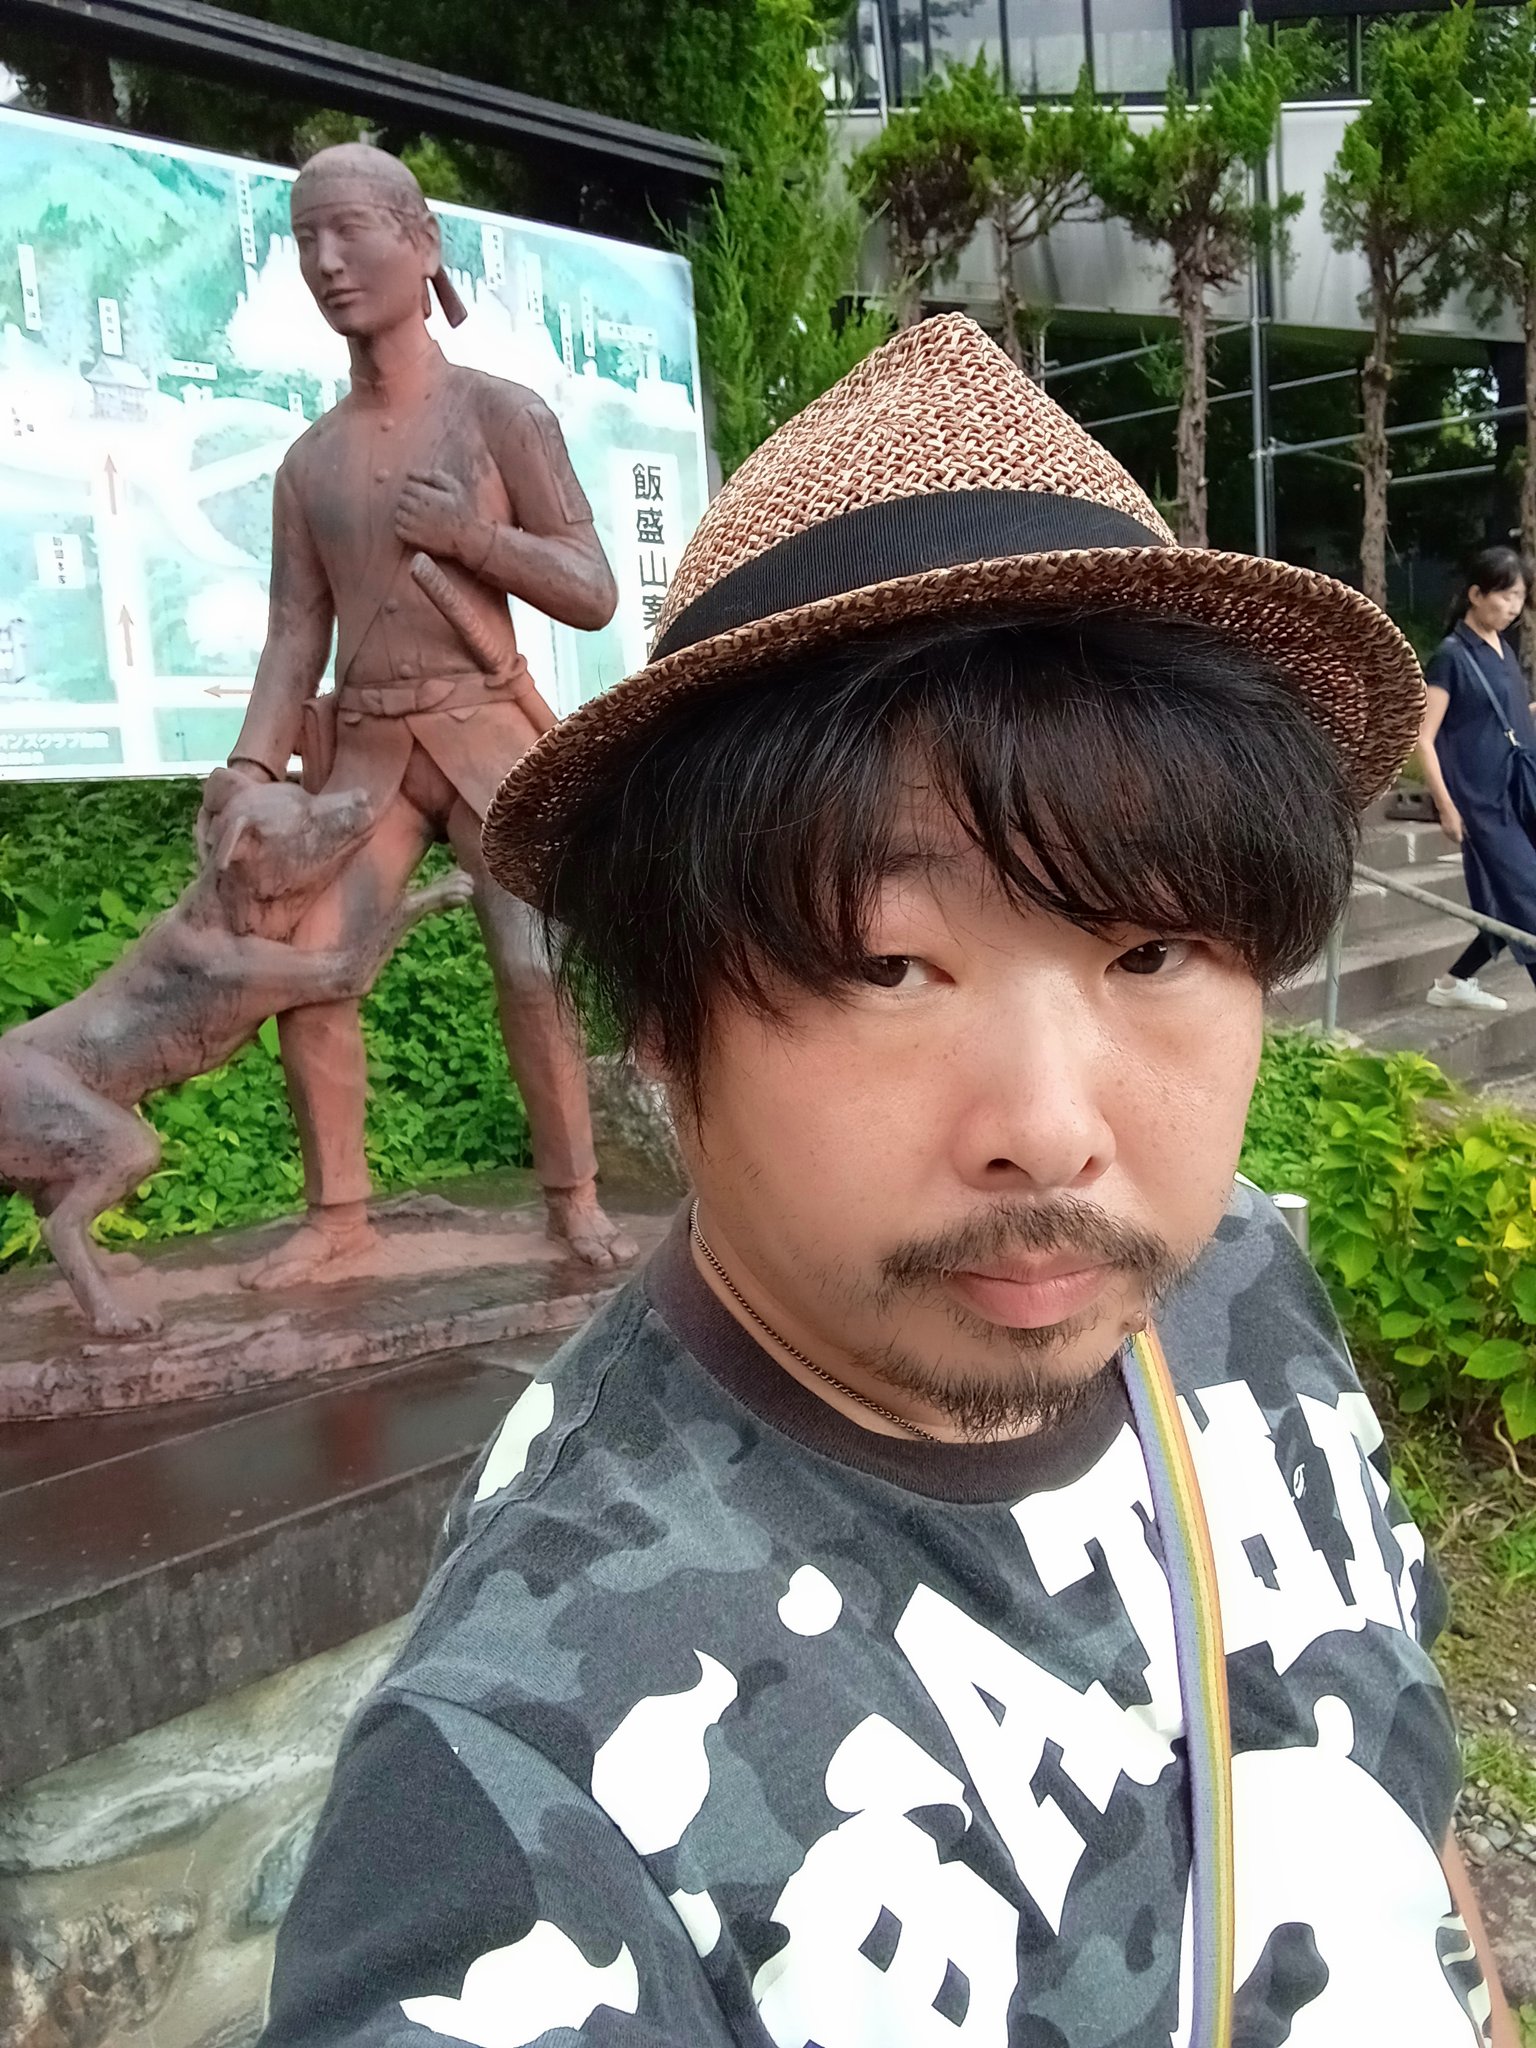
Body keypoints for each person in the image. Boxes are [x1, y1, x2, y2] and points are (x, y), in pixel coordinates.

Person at [258, 317, 1514, 2047]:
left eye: (1154, 950)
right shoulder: (529, 1782)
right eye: (884, 964)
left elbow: (1390, 1769)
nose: (1051, 1132)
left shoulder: (1227, 1270)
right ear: (664, 1023)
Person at [221, 143, 636, 1286]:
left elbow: (591, 589)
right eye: (305, 238)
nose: (326, 260)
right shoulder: (309, 462)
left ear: (422, 244)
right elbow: (294, 634)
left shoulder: (502, 415)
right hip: (368, 758)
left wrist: (473, 538)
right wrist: (251, 768)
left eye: (350, 230)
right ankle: (338, 1215)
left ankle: (575, 1198)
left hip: (489, 734)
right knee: (313, 964)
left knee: (534, 964)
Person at [1419, 543, 1536, 1014]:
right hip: (1483, 804)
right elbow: (1423, 737)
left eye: (1520, 597)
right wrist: (1446, 806)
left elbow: (1510, 718)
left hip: (1520, 791)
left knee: (1504, 906)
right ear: (1475, 594)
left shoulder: (1502, 649)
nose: (1513, 607)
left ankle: (1451, 983)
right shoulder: (1451, 656)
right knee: (1527, 898)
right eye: (1505, 595)